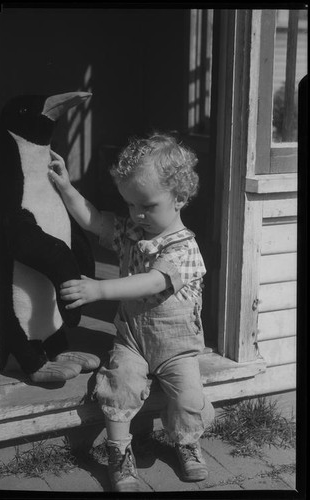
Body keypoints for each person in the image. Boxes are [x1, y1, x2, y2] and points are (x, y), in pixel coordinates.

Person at [48, 132, 215, 492]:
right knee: (118, 383)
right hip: (133, 340)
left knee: (188, 397)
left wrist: (100, 288)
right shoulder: (131, 229)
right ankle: (119, 453)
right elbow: (93, 220)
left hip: (177, 347)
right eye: (130, 205)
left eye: (148, 205)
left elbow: (153, 282)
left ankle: (186, 442)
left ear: (180, 198)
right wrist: (66, 187)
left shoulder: (185, 248)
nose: (137, 214)